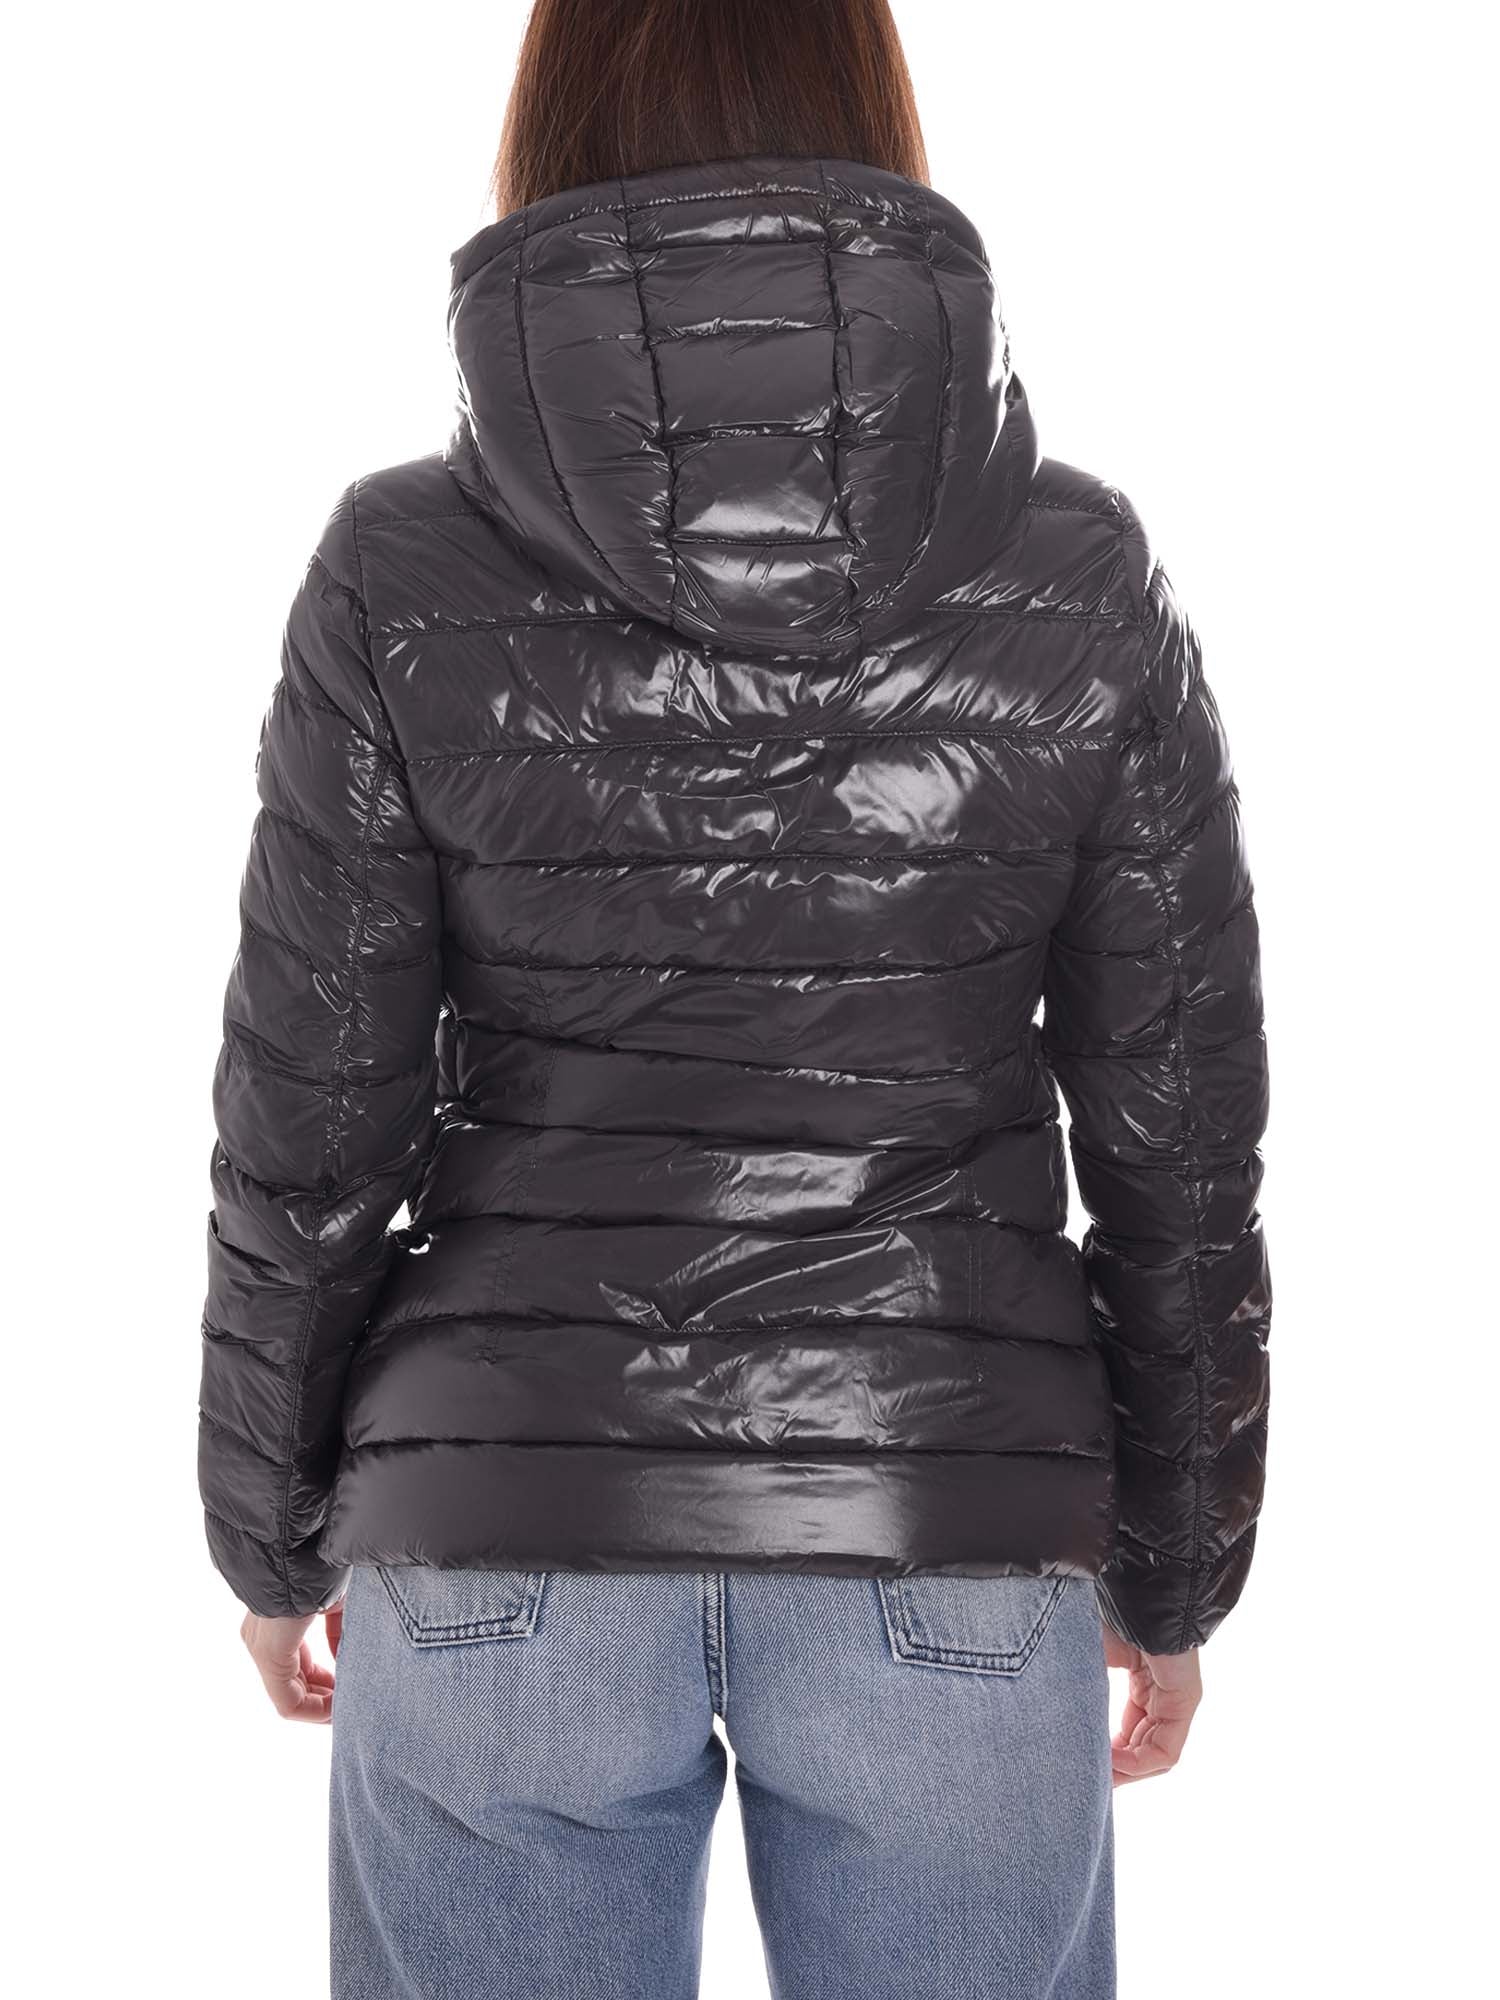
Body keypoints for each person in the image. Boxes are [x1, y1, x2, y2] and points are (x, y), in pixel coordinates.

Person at [198, 2, 1270, 1993]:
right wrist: (1178, 1564)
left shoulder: (396, 570)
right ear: (876, 115)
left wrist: (268, 1528)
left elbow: (310, 1120)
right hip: (944, 1522)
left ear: (551, 129)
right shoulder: (1079, 569)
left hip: (500, 1522)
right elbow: (1179, 1142)